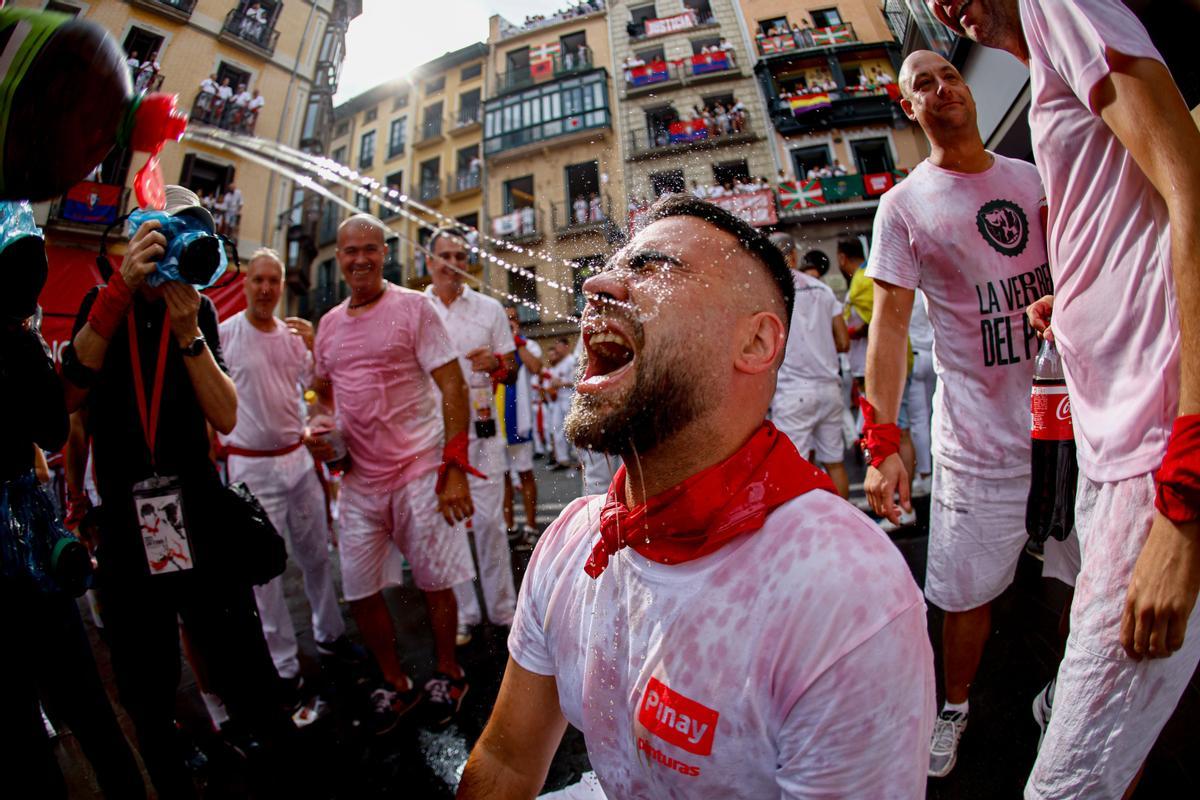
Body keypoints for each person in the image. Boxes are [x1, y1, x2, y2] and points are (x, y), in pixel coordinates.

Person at [457, 194, 935, 799]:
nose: (599, 283)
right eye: (612, 266)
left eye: (654, 267)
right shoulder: (575, 538)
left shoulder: (844, 597)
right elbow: (504, 761)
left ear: (757, 344)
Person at [926, 1, 1200, 796]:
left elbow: (1191, 190)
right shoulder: (1050, 52)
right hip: (1117, 436)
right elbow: (1134, 215)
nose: (943, 4)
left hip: (1155, 449)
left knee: (1066, 785)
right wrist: (1072, 303)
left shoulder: (1059, 4)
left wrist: (1185, 491)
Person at [60, 186, 294, 798]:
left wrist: (189, 330)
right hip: (126, 522)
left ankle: (268, 761)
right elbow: (67, 397)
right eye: (168, 233)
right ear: (138, 235)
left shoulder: (200, 309)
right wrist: (114, 299)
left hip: (198, 508)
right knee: (144, 680)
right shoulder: (98, 300)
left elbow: (225, 416)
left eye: (193, 233)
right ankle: (171, 767)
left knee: (241, 660)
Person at [863, 50, 1055, 778]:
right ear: (906, 105)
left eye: (949, 77)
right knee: (964, 592)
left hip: (1062, 426)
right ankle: (955, 705)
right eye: (923, 86)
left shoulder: (1030, 179)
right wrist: (884, 442)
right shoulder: (905, 206)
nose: (942, 90)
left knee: (1078, 577)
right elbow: (887, 332)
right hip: (979, 443)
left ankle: (1061, 691)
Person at [1, 203, 147, 799]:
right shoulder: (10, 336)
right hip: (24, 565)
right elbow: (52, 422)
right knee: (88, 715)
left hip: (27, 551)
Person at [310, 214, 476, 732]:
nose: (360, 258)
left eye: (369, 249)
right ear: (338, 259)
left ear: (385, 254)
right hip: (359, 480)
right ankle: (395, 683)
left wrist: (454, 468)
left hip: (419, 469)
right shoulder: (330, 324)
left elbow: (454, 387)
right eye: (350, 251)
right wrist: (323, 427)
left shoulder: (414, 307)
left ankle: (448, 672)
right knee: (358, 589)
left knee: (435, 580)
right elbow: (324, 389)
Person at [217, 248, 361, 702]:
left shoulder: (292, 337)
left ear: (281, 286)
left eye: (272, 281)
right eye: (257, 280)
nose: (264, 289)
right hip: (250, 466)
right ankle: (281, 661)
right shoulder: (224, 336)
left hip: (297, 461)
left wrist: (314, 350)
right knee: (264, 572)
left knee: (316, 553)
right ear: (245, 284)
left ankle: (329, 635)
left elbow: (316, 393)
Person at [423, 229, 519, 648]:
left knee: (490, 525)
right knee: (447, 529)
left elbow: (511, 368)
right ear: (428, 261)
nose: (453, 262)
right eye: (445, 255)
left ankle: (503, 612)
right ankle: (466, 612)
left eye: (460, 255)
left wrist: (496, 362)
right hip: (431, 437)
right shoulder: (415, 309)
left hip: (482, 432)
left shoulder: (489, 308)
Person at [768, 232, 850, 498]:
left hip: (793, 392)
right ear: (794, 255)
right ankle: (848, 528)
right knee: (835, 462)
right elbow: (844, 342)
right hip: (829, 389)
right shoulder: (823, 289)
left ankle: (809, 530)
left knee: (795, 467)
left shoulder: (772, 293)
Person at [500, 306, 542, 547]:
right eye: (505, 319)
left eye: (513, 319)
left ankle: (531, 525)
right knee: (503, 476)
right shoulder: (493, 347)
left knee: (525, 472)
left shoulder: (528, 345)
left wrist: (517, 343)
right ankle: (510, 526)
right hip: (497, 422)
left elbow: (536, 367)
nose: (509, 322)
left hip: (519, 421)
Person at [547, 337, 577, 469]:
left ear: (566, 346)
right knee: (557, 428)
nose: (557, 349)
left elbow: (577, 381)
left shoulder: (572, 360)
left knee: (574, 429)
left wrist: (561, 383)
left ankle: (579, 458)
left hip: (570, 397)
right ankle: (562, 459)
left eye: (559, 346)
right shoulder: (558, 364)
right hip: (558, 399)